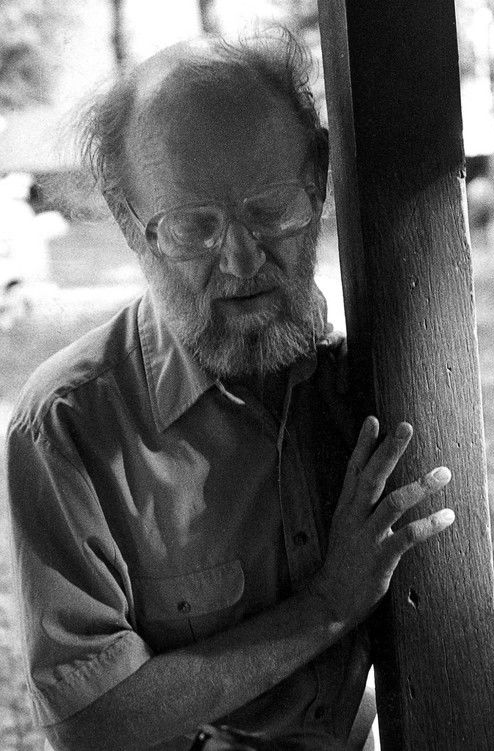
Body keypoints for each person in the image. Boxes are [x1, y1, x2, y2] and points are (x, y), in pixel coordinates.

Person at [6, 31, 455, 751]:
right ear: (128, 222)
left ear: (319, 181)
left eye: (273, 210)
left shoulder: (368, 375)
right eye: (196, 228)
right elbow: (93, 724)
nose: (243, 260)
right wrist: (328, 605)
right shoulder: (66, 425)